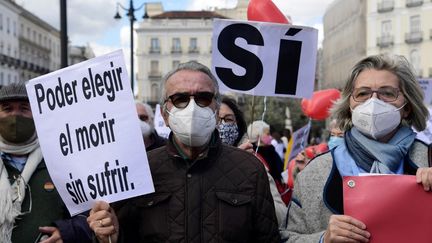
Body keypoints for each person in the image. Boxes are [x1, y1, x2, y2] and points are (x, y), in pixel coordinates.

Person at [88, 61, 280, 243]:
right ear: (164, 114)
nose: (192, 108)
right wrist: (108, 235)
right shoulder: (140, 170)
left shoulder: (250, 169)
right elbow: (124, 237)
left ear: (216, 108)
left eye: (203, 98)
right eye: (180, 99)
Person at [281, 54, 431, 243]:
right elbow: (287, 237)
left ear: (407, 106)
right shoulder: (315, 172)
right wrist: (322, 239)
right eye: (362, 94)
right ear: (349, 106)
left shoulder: (429, 159)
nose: (374, 101)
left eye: (387, 93)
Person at [0, 82, 91, 243]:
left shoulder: (61, 161)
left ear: (36, 114)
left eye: (24, 108)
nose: (16, 116)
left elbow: (88, 216)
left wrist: (67, 233)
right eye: (7, 109)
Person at [218, 96, 287, 226]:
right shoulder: (191, 161)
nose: (222, 125)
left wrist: (243, 170)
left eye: (228, 119)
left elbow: (281, 215)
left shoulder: (252, 162)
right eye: (216, 119)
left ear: (238, 124)